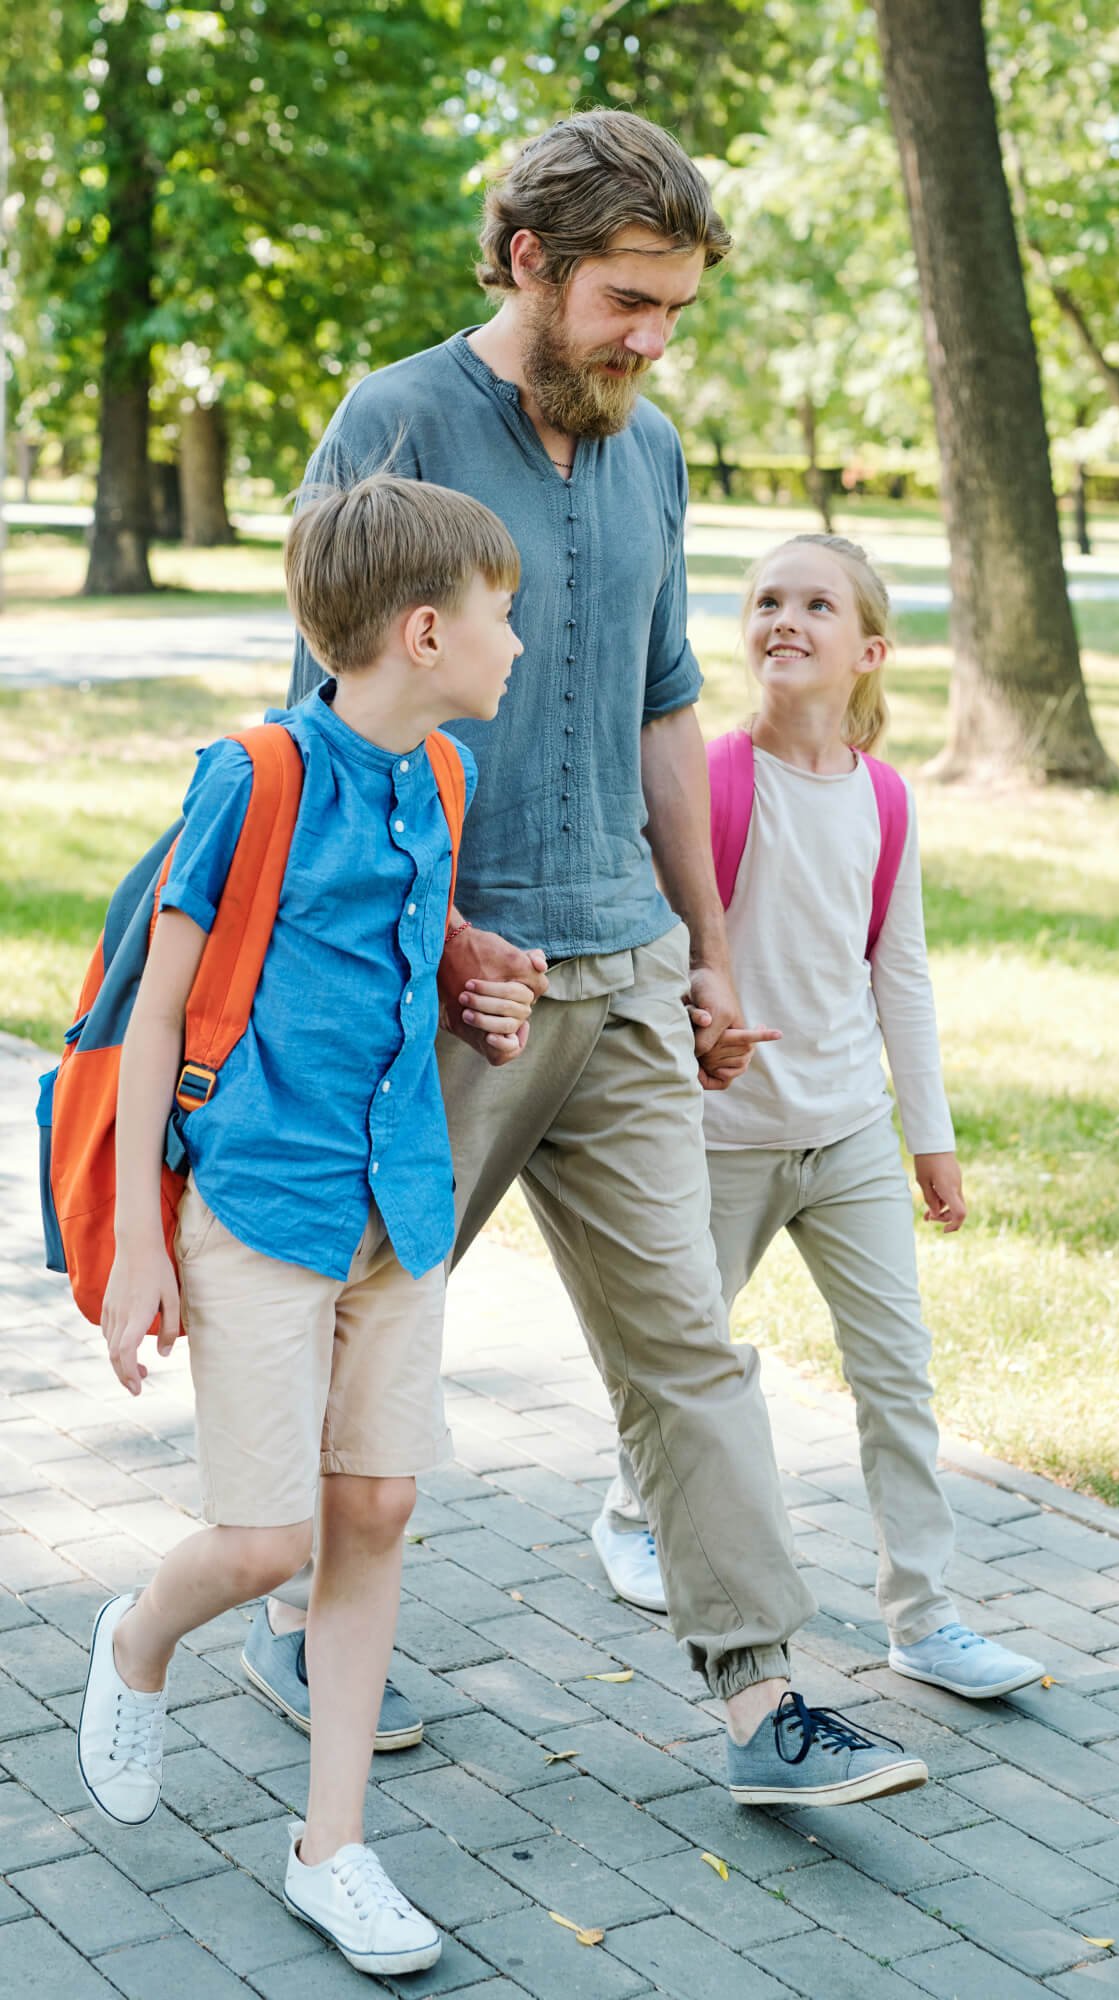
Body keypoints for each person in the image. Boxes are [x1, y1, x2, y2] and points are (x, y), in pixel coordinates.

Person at [255, 108, 929, 1811]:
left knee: (685, 1345)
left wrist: (707, 954)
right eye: (627, 301)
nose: (651, 341)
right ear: (526, 262)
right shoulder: (397, 421)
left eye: (675, 311)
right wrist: (439, 933)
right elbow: (324, 728)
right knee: (368, 1317)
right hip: (447, 988)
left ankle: (763, 1698)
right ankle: (295, 1610)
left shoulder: (652, 450)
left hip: (624, 968)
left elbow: (660, 706)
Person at [78, 476, 535, 1978]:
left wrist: (474, 980)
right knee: (266, 1539)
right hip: (263, 1202)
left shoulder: (444, 776)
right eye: (502, 615)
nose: (517, 643)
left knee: (378, 1508)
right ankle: (140, 1638)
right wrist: (143, 1246)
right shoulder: (255, 775)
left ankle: (332, 1845)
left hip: (399, 1202)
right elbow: (156, 1011)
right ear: (425, 633)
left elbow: (395, 950)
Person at [591, 535, 1045, 1702]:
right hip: (721, 1139)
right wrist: (691, 1039)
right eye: (766, 600)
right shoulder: (709, 778)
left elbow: (901, 972)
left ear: (869, 651)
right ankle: (629, 1513)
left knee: (897, 1376)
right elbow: (658, 949)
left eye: (815, 604)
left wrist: (927, 1135)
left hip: (847, 1136)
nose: (784, 618)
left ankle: (924, 1615)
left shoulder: (884, 798)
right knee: (684, 1360)